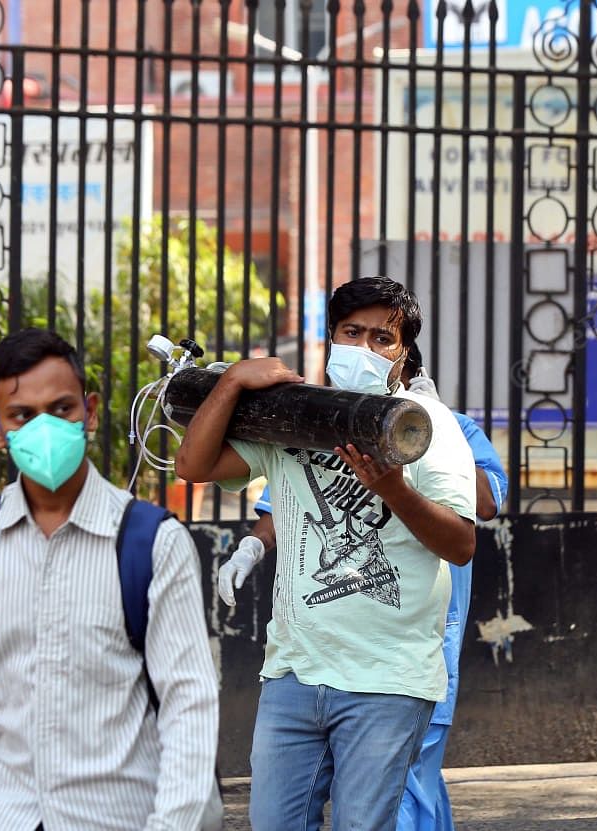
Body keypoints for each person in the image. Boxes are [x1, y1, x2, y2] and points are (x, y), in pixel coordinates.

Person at [175, 277, 478, 831]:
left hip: (387, 679)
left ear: (402, 351)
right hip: (293, 671)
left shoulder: (426, 428)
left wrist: (395, 490)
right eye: (351, 332)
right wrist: (234, 382)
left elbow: (460, 544)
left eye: (381, 338)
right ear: (330, 339)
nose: (363, 348)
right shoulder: (293, 417)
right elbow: (193, 467)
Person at [0, 328, 219, 831]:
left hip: (116, 816)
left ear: (89, 413)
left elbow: (188, 705)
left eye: (62, 408)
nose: (44, 427)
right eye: (22, 415)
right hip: (0, 814)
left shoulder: (152, 543)